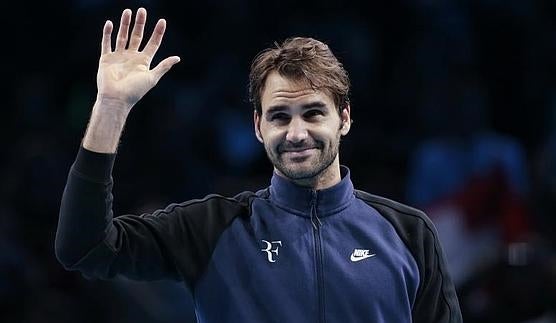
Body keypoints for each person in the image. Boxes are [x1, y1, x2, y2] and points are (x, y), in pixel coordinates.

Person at [55, 7, 462, 323]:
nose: (297, 132)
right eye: (280, 116)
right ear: (258, 125)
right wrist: (111, 107)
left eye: (314, 113)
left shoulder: (408, 233)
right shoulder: (212, 229)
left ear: (345, 118)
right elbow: (84, 247)